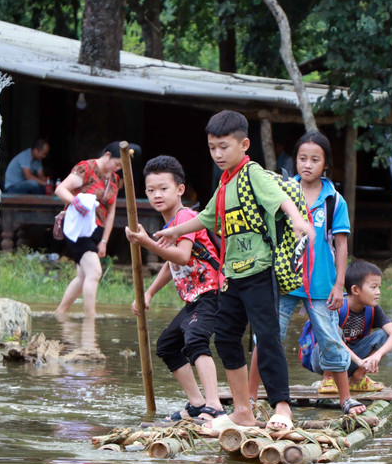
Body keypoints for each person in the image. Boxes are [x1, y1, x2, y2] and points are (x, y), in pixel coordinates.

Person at [154, 110, 314, 431]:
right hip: (231, 276)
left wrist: (297, 219)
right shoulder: (224, 184)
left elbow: (279, 198)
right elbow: (207, 217)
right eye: (212, 147)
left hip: (259, 270)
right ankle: (242, 411)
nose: (217, 154)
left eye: (223, 147)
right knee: (226, 337)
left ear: (244, 145)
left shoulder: (252, 173)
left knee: (266, 337)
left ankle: (282, 408)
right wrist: (173, 232)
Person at [248, 130, 364, 416]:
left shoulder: (333, 200)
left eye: (315, 159)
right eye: (302, 158)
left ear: (326, 164)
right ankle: (249, 397)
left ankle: (345, 398)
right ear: (295, 160)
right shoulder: (283, 192)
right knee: (266, 337)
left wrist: (340, 285)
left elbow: (341, 245)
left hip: (322, 284)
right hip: (285, 281)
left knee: (331, 340)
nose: (307, 164)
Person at [125, 155, 226, 422]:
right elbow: (172, 264)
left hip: (212, 291)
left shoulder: (185, 217)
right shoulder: (170, 225)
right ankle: (197, 402)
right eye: (150, 190)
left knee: (195, 338)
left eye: (163, 188)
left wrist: (147, 242)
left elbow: (181, 256)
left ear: (180, 189)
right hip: (194, 298)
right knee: (168, 345)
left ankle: (214, 404)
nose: (156, 195)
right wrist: (148, 292)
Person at [54, 141, 139, 318]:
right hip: (78, 228)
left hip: (97, 230)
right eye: (116, 163)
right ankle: (90, 319)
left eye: (120, 166)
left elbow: (111, 212)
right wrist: (75, 201)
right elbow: (61, 189)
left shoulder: (115, 179)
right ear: (107, 155)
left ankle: (59, 313)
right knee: (95, 271)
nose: (117, 168)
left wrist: (104, 241)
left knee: (83, 276)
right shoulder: (87, 167)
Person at [339, 259, 392, 392]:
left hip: (354, 361)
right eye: (373, 287)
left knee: (384, 335)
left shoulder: (373, 309)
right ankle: (329, 379)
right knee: (332, 336)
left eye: (379, 287)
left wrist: (376, 356)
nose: (378, 292)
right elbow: (333, 340)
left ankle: (357, 379)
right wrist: (359, 361)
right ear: (355, 289)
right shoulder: (337, 307)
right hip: (326, 361)